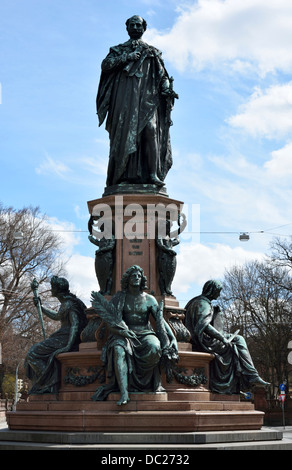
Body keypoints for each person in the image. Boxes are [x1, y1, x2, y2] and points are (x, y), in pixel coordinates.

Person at [96, 15, 178, 188]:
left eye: (138, 24)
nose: (134, 27)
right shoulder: (118, 50)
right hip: (124, 100)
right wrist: (127, 57)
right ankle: (122, 176)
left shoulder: (152, 52)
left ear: (143, 28)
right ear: (127, 28)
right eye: (131, 24)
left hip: (147, 100)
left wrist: (166, 89)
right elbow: (106, 65)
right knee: (125, 136)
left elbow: (162, 75)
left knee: (151, 130)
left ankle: (152, 174)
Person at [91, 265, 178, 405]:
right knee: (119, 351)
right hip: (123, 335)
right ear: (127, 279)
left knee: (154, 346)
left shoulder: (150, 299)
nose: (136, 278)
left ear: (142, 279)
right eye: (133, 276)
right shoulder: (118, 298)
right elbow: (110, 322)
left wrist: (172, 337)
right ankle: (124, 393)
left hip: (145, 333)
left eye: (138, 276)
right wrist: (122, 332)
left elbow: (160, 320)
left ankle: (148, 383)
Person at [184, 280, 269, 394]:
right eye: (218, 291)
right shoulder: (203, 303)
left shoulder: (196, 301)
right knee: (238, 340)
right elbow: (204, 326)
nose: (219, 295)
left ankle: (247, 378)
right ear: (212, 290)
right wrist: (222, 338)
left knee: (236, 341)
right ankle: (250, 376)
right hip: (204, 341)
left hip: (198, 340)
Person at [25, 276, 87, 394]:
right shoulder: (66, 303)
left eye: (52, 287)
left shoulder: (69, 304)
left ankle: (49, 383)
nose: (50, 290)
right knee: (33, 354)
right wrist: (41, 307)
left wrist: (68, 346)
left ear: (58, 289)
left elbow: (75, 324)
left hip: (66, 338)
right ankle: (46, 382)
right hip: (62, 336)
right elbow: (57, 316)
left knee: (32, 354)